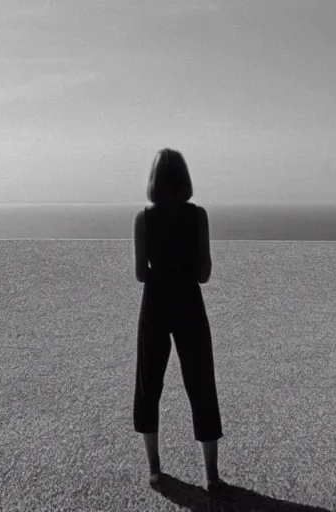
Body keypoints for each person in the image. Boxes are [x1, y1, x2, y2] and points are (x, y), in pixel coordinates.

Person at [132, 148, 227, 493]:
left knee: (149, 383)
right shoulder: (197, 216)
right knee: (201, 382)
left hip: (156, 301)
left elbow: (141, 274)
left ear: (154, 180)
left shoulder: (143, 218)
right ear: (184, 178)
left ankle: (156, 470)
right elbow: (204, 274)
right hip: (189, 299)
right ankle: (212, 475)